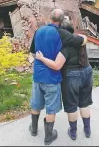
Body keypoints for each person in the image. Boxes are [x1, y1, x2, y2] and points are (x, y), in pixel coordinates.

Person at [29, 9, 85, 145]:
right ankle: (49, 136)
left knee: (36, 103)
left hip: (38, 75)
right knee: (51, 108)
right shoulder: (61, 33)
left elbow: (32, 52)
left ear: (50, 17)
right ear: (61, 21)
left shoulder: (38, 31)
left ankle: (34, 129)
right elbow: (79, 41)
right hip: (52, 78)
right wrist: (85, 38)